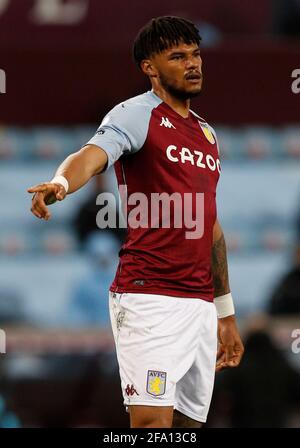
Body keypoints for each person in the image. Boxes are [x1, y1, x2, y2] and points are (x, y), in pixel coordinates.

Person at [27, 16, 244, 428]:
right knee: (150, 425)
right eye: (177, 56)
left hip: (199, 305)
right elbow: (91, 155)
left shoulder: (206, 135)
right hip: (150, 298)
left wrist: (225, 312)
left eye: (195, 55)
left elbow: (210, 226)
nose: (192, 64)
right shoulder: (136, 114)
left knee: (189, 428)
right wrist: (60, 182)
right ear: (150, 67)